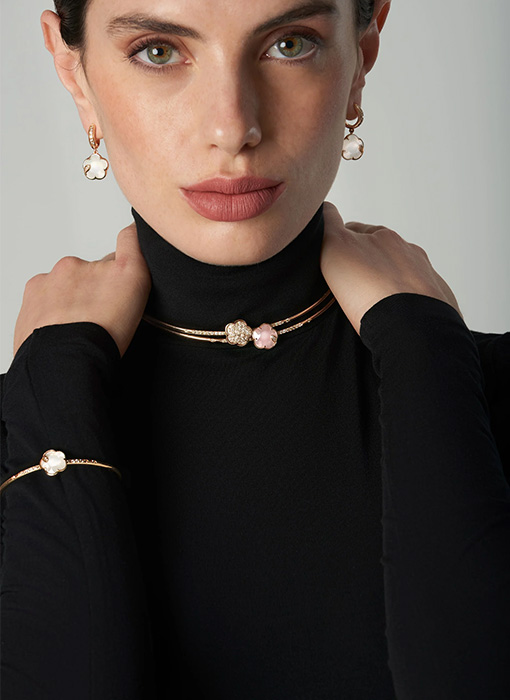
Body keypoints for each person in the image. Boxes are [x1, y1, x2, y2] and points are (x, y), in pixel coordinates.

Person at [1, 0, 509, 698]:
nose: (232, 128)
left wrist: (426, 356)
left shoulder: (468, 390)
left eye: (290, 43)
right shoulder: (30, 427)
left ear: (362, 54)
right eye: (158, 51)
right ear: (74, 70)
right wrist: (55, 394)